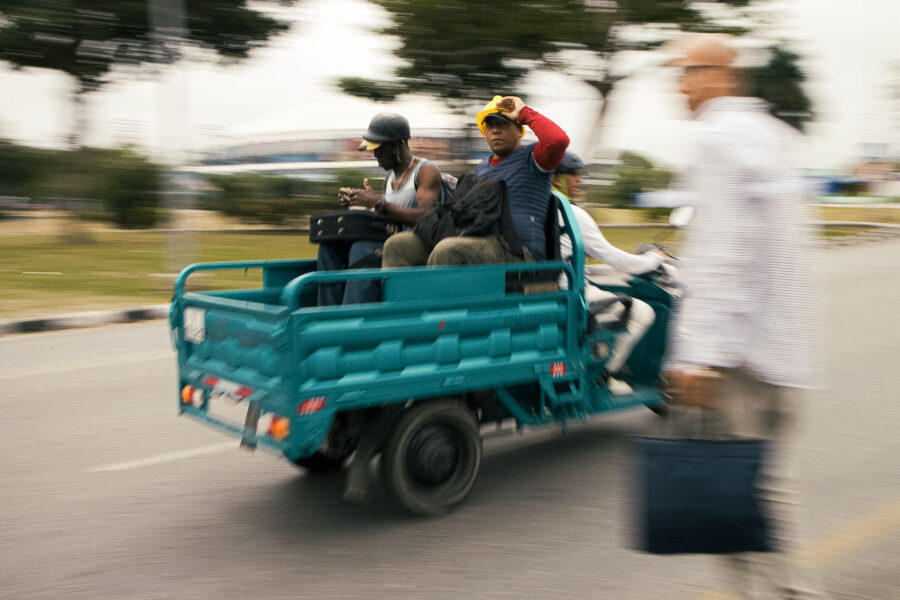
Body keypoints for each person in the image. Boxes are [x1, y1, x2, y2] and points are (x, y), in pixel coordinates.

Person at [655, 34, 826, 599]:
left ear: (719, 75)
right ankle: (797, 589)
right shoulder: (773, 134)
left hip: (737, 363)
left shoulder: (715, 137)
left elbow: (723, 255)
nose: (679, 85)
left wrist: (697, 357)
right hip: (784, 354)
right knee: (769, 489)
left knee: (723, 499)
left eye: (686, 72)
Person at [382, 95, 568, 267]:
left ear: (519, 131)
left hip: (517, 251)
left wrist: (524, 112)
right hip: (478, 239)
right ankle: (403, 302)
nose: (495, 130)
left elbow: (558, 140)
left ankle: (439, 303)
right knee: (397, 245)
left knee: (449, 251)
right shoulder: (482, 168)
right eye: (490, 126)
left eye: (502, 124)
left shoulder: (533, 158)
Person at [553, 152, 663, 393]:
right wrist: (654, 259)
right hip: (570, 294)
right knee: (643, 312)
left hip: (551, 291)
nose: (579, 179)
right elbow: (615, 259)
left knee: (609, 299)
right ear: (556, 179)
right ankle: (603, 374)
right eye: (573, 174)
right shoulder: (574, 214)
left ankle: (595, 359)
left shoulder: (535, 208)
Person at [316, 112, 442, 305]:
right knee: (329, 247)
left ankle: (353, 320)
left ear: (398, 144)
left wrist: (377, 202)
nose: (375, 155)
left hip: (414, 246)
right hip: (390, 240)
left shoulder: (426, 171)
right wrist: (362, 203)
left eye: (380, 149)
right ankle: (326, 316)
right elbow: (390, 216)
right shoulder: (389, 179)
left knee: (362, 249)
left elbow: (425, 217)